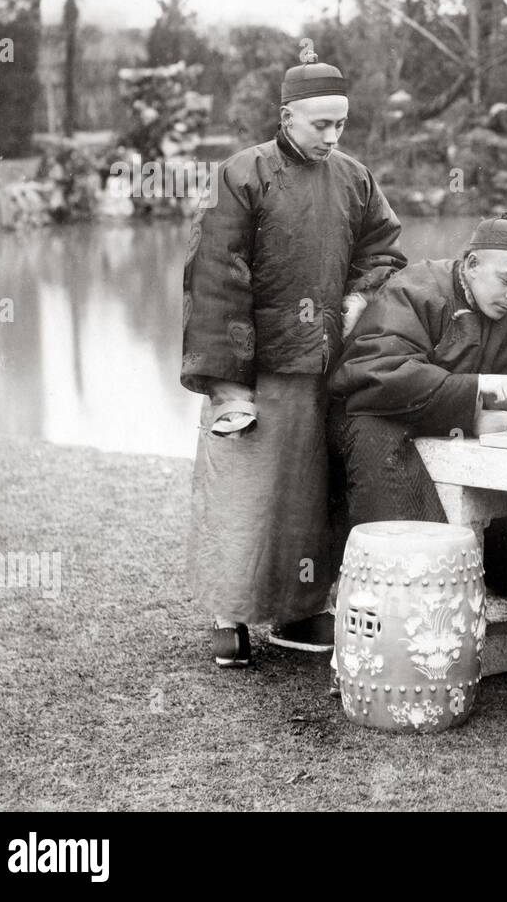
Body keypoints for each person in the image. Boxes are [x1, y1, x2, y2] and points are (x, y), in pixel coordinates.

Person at [182, 59, 405, 668]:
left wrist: (360, 298)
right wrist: (230, 387)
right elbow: (216, 277)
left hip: (326, 362)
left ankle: (301, 608)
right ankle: (229, 614)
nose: (332, 137)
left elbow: (384, 250)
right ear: (286, 117)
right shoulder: (242, 174)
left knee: (311, 495)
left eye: (341, 125)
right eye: (321, 124)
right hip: (258, 368)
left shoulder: (354, 177)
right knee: (245, 492)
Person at [326, 215, 507, 534]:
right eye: (506, 280)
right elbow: (373, 375)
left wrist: (503, 416)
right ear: (472, 264)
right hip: (374, 415)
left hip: (448, 421)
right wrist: (476, 391)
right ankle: (406, 567)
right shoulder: (417, 288)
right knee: (373, 431)